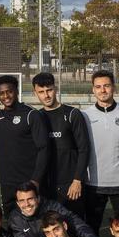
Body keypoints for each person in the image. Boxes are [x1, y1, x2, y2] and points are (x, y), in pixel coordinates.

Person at [81, 70, 119, 235]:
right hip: (93, 184)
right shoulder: (84, 116)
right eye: (98, 87)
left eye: (106, 86)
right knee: (91, 230)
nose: (103, 90)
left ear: (114, 87)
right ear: (93, 89)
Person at [31, 72, 89, 217]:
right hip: (46, 185)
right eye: (41, 92)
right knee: (50, 229)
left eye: (49, 90)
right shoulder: (37, 117)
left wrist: (77, 180)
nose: (46, 95)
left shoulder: (72, 114)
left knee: (76, 227)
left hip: (70, 185)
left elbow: (84, 149)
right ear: (35, 93)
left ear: (55, 88)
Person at [8, 182, 101, 237]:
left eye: (30, 199)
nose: (27, 204)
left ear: (38, 198)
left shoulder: (53, 207)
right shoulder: (15, 218)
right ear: (18, 203)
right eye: (22, 201)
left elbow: (79, 226)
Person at [0, 75, 49, 212]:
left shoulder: (31, 115)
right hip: (7, 182)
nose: (6, 96)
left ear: (16, 91)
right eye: (1, 93)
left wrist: (36, 179)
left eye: (9, 91)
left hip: (28, 181)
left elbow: (44, 149)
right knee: (11, 220)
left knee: (34, 220)